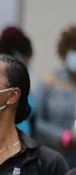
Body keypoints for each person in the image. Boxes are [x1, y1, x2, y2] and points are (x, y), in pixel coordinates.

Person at [34, 24, 76, 167]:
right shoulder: (49, 82)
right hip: (52, 163)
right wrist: (63, 137)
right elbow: (34, 120)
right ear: (65, 52)